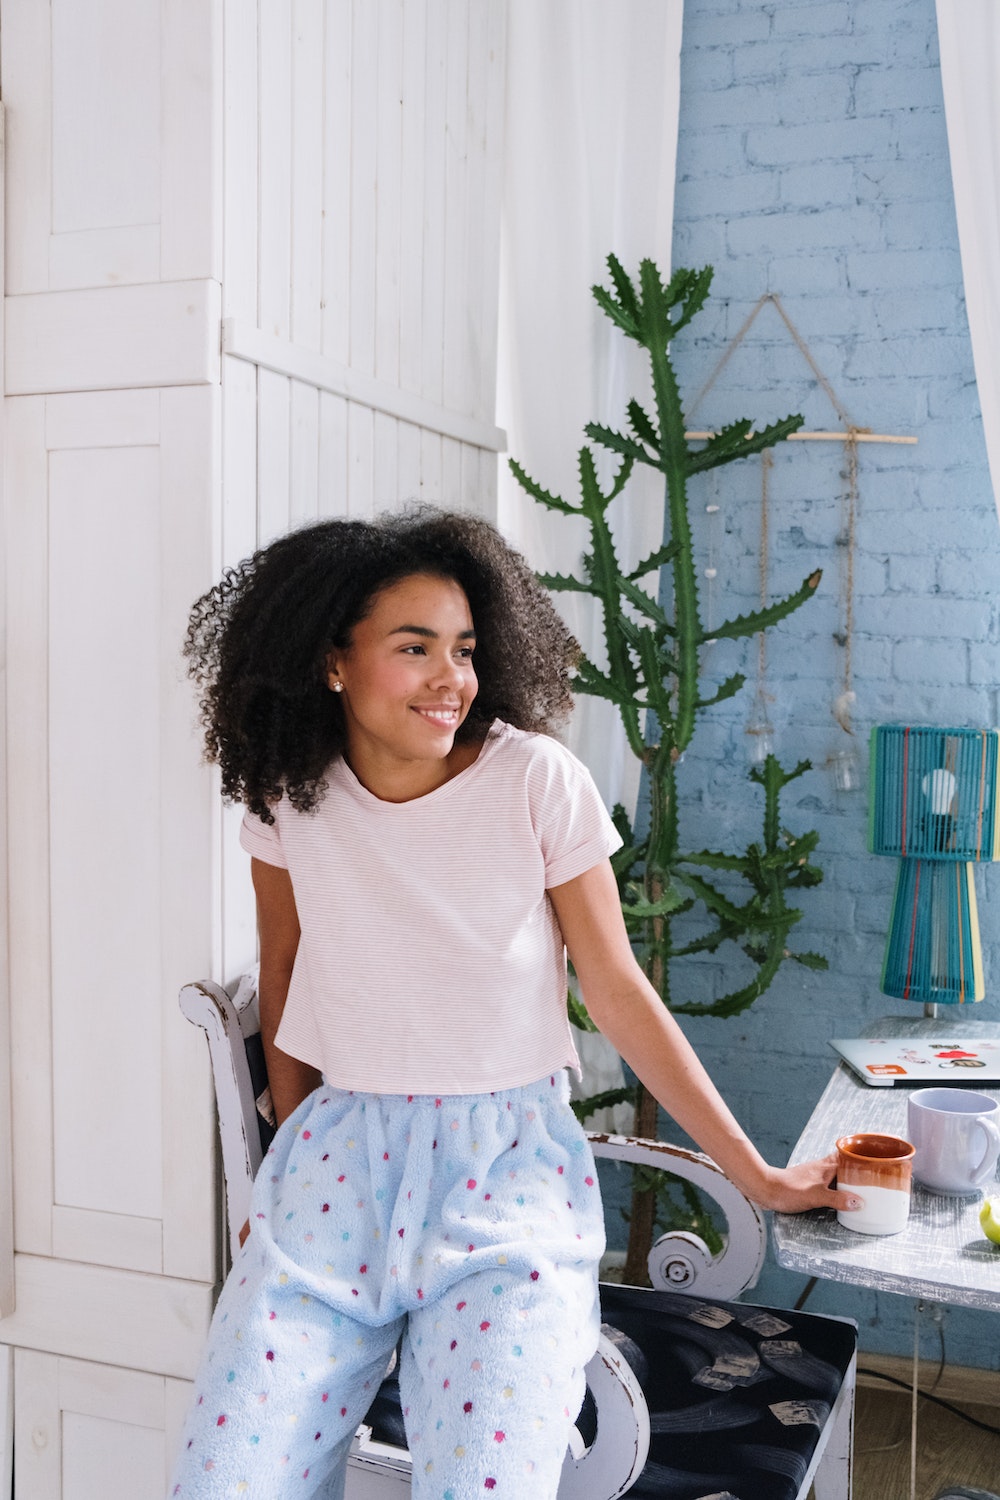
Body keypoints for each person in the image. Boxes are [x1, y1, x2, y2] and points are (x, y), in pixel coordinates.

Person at [170, 507, 857, 1500]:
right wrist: (281, 1173)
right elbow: (286, 969)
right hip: (334, 1167)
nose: (452, 677)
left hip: (505, 1177)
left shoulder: (534, 780)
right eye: (415, 649)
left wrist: (755, 1172)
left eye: (463, 648)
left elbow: (615, 989)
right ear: (332, 661)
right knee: (223, 1479)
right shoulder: (287, 792)